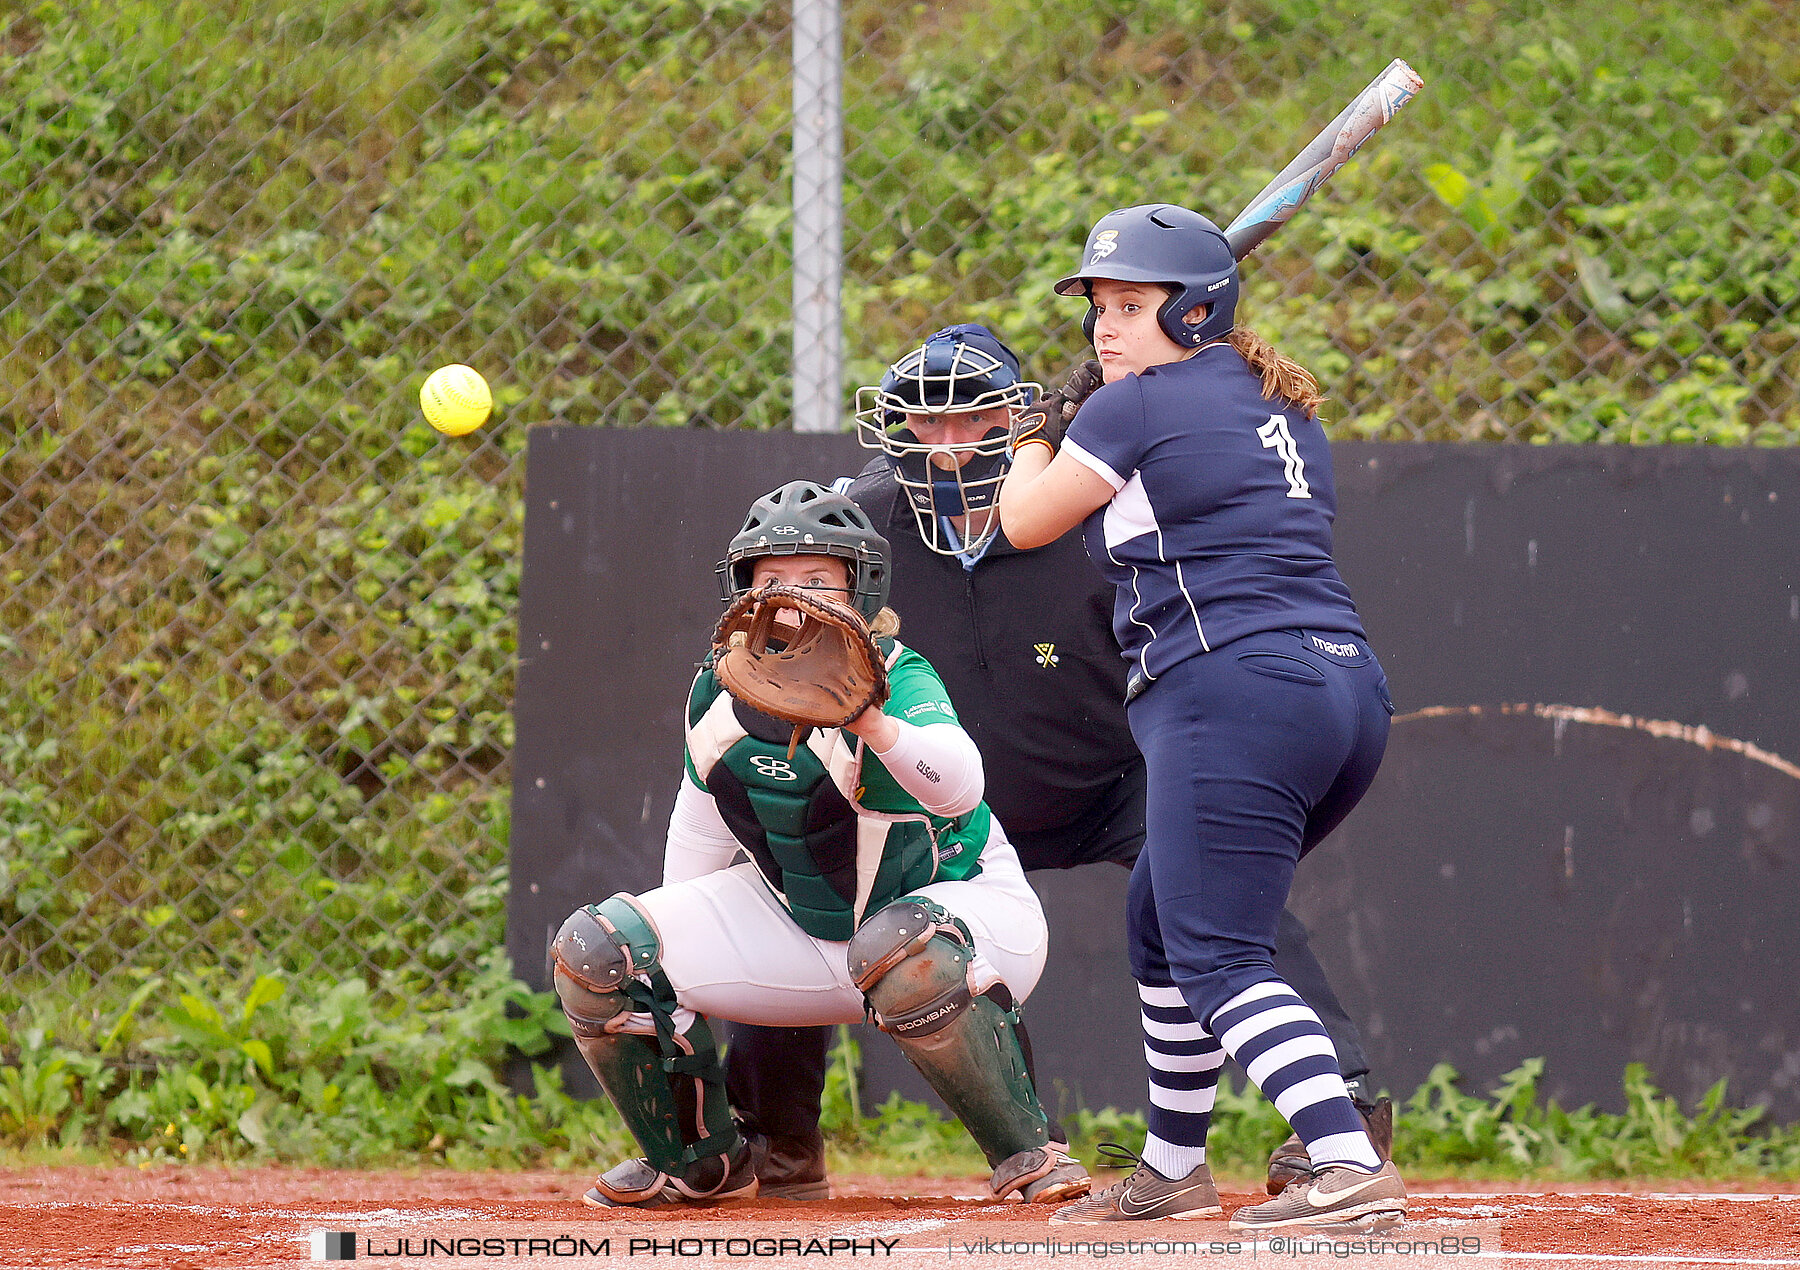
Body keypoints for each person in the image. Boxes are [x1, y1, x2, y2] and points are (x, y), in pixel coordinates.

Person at [724, 323, 1390, 1202]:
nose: (949, 445)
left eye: (974, 420)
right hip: (945, 800)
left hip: (1117, 772)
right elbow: (772, 589)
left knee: (1214, 892)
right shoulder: (863, 527)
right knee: (797, 865)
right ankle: (777, 1139)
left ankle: (1340, 1108)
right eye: (924, 423)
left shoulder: (1085, 501)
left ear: (1020, 422)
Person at [997, 205, 1406, 1232]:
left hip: (1230, 693)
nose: (1106, 330)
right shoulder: (1283, 405)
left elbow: (1021, 519)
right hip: (1344, 692)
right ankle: (1175, 1170)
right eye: (1099, 308)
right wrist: (1095, 404)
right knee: (1161, 919)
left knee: (1217, 947)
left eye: (1132, 308)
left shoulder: (1131, 412)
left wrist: (1044, 426)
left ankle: (1346, 1159)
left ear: (1197, 310)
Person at [548, 480, 1088, 1209]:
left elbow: (960, 787)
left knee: (901, 947)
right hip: (806, 932)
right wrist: (666, 987)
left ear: (860, 591)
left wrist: (872, 723)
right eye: (773, 580)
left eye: (817, 582)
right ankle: (699, 1158)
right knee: (600, 949)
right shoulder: (717, 688)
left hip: (962, 923)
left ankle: (1030, 1152)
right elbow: (697, 840)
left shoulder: (898, 675)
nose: (793, 597)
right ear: (742, 591)